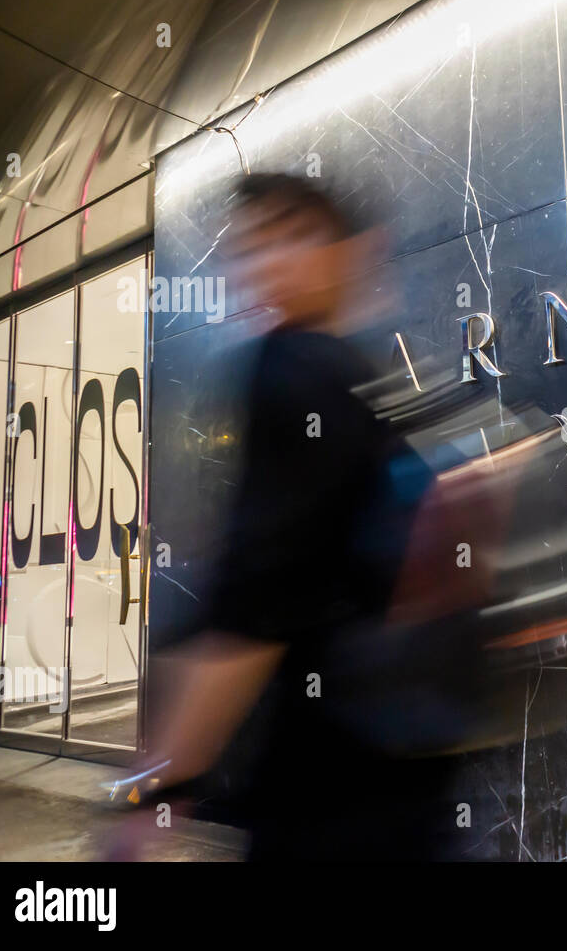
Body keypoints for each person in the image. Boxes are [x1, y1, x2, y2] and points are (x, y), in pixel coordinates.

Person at [114, 173, 452, 860]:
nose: (270, 262)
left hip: (323, 790)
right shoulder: (367, 381)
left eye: (296, 236)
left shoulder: (291, 368)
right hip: (405, 780)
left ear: (351, 251)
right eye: (253, 244)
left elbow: (257, 605)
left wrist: (154, 787)